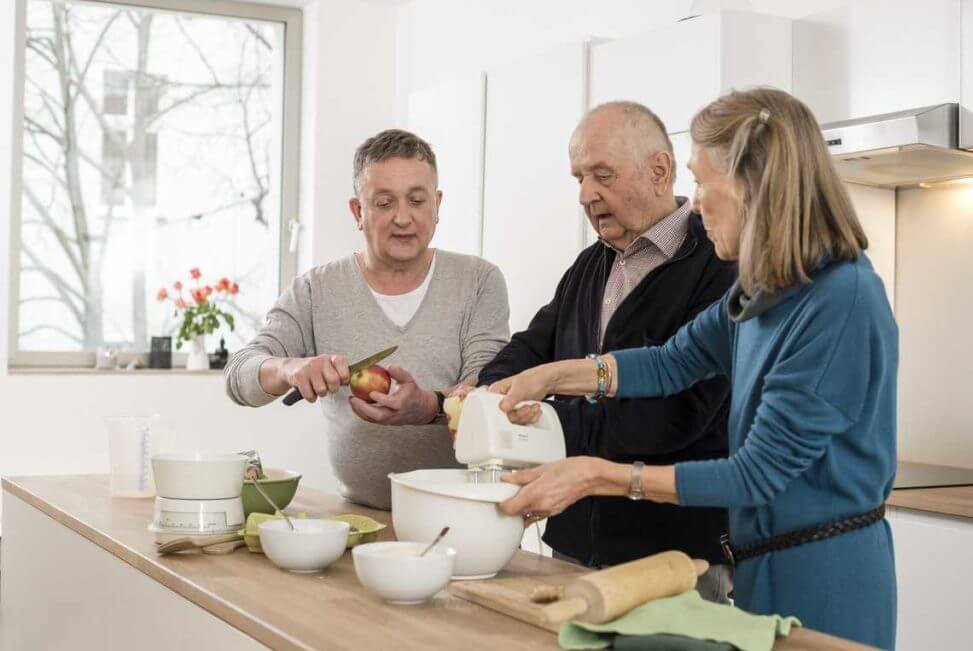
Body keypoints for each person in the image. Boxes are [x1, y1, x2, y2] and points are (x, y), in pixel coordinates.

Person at [488, 88, 898, 649]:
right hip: (758, 565)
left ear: (756, 186)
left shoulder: (839, 298)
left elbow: (755, 474)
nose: (696, 203)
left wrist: (598, 473)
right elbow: (669, 362)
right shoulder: (762, 293)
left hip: (825, 572)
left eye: (704, 183)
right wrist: (552, 376)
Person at [471, 101, 736, 601]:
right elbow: (533, 346)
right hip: (573, 541)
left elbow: (676, 415)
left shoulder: (719, 265)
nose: (586, 194)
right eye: (578, 178)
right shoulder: (591, 263)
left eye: (602, 175)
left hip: (674, 557)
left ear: (659, 170)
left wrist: (541, 423)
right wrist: (487, 392)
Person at [225, 129, 510, 509]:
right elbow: (239, 377)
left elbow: (492, 388)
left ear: (437, 205)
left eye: (417, 199)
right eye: (384, 202)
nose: (403, 217)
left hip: (462, 513)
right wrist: (290, 368)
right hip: (356, 517)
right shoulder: (315, 290)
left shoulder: (479, 281)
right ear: (358, 212)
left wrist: (430, 406)